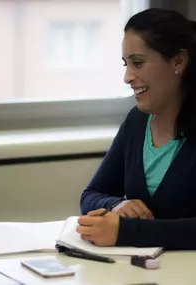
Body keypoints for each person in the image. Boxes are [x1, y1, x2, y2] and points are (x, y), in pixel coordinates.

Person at [78, 8, 196, 249]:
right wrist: (115, 206)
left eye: (138, 63)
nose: (127, 77)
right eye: (126, 64)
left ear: (178, 61)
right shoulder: (136, 122)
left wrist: (127, 232)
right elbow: (91, 194)